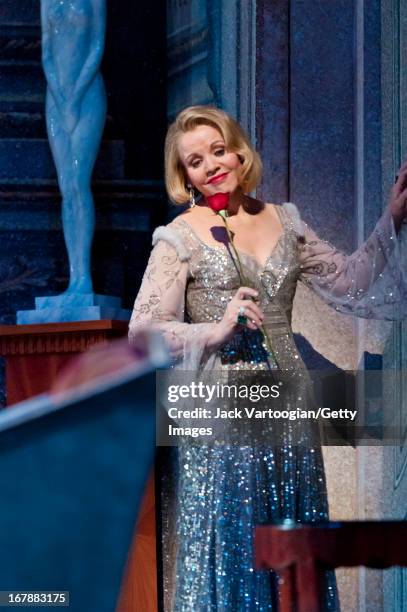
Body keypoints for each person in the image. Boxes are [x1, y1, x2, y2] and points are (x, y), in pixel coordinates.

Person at [129, 105, 407, 611]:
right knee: (235, 550)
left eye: (218, 150)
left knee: (295, 543)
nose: (211, 165)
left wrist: (392, 218)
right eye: (195, 161)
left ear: (239, 151)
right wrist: (215, 331)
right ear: (184, 176)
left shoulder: (285, 219)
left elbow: (349, 281)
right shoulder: (179, 237)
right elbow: (144, 333)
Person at [41, 0, 107, 294]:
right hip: (56, 97)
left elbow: (96, 45)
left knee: (79, 183)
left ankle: (84, 278)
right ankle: (74, 275)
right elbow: (46, 51)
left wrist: (75, 97)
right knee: (66, 186)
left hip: (87, 93)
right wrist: (60, 96)